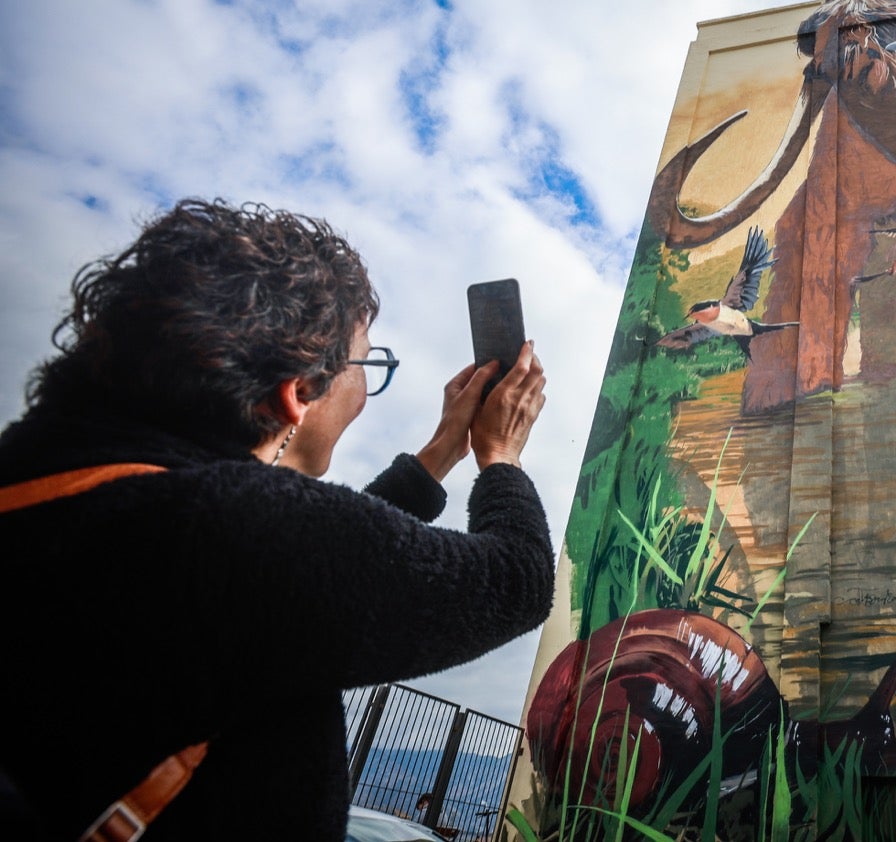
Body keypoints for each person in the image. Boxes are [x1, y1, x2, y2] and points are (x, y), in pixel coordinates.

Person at [0, 200, 555, 842]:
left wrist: (438, 455)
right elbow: (517, 578)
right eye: (366, 367)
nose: (363, 395)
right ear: (296, 391)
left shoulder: (51, 488)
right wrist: (501, 455)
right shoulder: (222, 532)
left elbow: (312, 574)